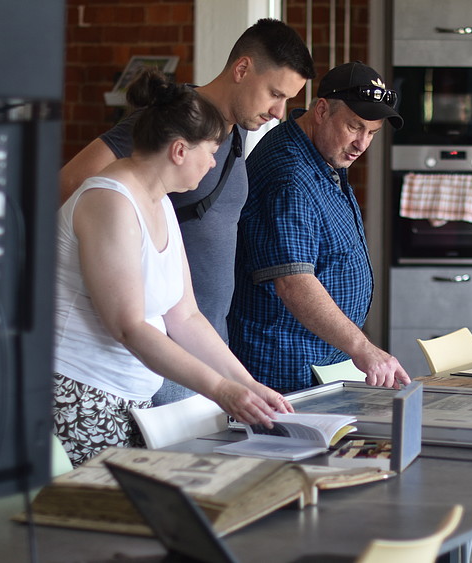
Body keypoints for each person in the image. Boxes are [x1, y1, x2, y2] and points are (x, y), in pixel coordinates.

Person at [59, 18, 315, 406]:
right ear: (242, 69)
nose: (280, 112)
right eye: (275, 94)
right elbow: (71, 186)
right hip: (149, 357)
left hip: (202, 339)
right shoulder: (175, 121)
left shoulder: (236, 132)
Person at [53, 69, 292, 466]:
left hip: (127, 398)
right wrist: (219, 389)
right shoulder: (109, 200)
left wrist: (246, 383)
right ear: (180, 150)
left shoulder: (159, 200)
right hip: (79, 396)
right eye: (210, 150)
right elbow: (128, 326)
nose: (214, 160)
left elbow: (185, 316)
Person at [228, 61, 411, 394]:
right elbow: (294, 282)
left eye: (372, 133)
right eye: (355, 127)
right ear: (322, 110)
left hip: (319, 358)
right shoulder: (290, 177)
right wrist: (363, 348)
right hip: (284, 367)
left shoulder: (321, 150)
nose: (362, 144)